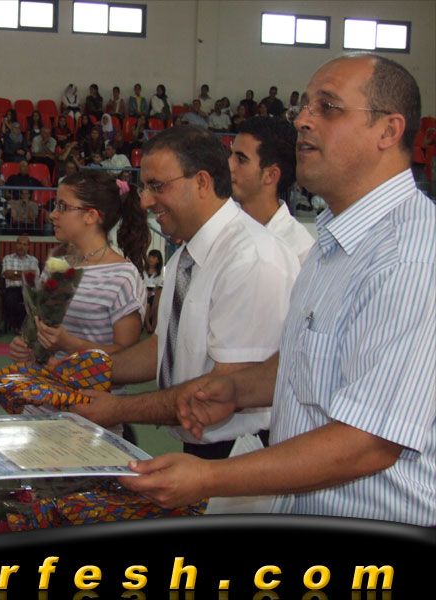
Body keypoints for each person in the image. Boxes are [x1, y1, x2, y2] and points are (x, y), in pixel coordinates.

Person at [128, 54, 435, 526]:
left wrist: (209, 477)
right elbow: (308, 362)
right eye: (304, 107)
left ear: (388, 131)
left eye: (327, 107)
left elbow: (370, 441)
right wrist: (237, 388)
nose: (303, 120)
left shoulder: (410, 257)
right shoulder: (334, 244)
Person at [71, 126, 299, 460]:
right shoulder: (186, 256)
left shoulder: (251, 258)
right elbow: (163, 348)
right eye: (144, 187)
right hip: (204, 445)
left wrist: (117, 408)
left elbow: (225, 388)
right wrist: (84, 371)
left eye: (157, 186)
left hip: (243, 454)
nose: (145, 201)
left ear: (202, 182)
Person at [9, 170, 150, 368]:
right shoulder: (57, 265)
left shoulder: (123, 276)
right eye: (55, 206)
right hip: (47, 384)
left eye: (62, 207)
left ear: (90, 216)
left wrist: (70, 345)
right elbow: (42, 332)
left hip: (94, 389)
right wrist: (28, 347)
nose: (53, 215)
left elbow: (127, 356)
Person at [229, 117, 314, 263]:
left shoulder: (299, 250)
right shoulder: (219, 223)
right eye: (230, 154)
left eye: (241, 160)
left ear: (270, 175)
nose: (229, 165)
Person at [1, 235, 40, 332]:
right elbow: (7, 274)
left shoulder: (33, 260)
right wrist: (25, 274)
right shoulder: (8, 258)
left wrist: (15, 273)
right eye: (19, 244)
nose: (21, 246)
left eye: (24, 244)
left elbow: (34, 276)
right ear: (16, 245)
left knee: (34, 300)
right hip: (13, 289)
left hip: (29, 288)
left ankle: (30, 327)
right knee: (11, 301)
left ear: (28, 247)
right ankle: (18, 327)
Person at [142, 249, 163, 334]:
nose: (150, 259)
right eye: (149, 256)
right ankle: (148, 324)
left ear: (158, 260)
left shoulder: (159, 273)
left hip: (153, 293)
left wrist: (152, 291)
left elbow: (159, 285)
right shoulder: (142, 270)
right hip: (143, 292)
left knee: (153, 301)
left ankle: (151, 325)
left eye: (154, 257)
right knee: (147, 302)